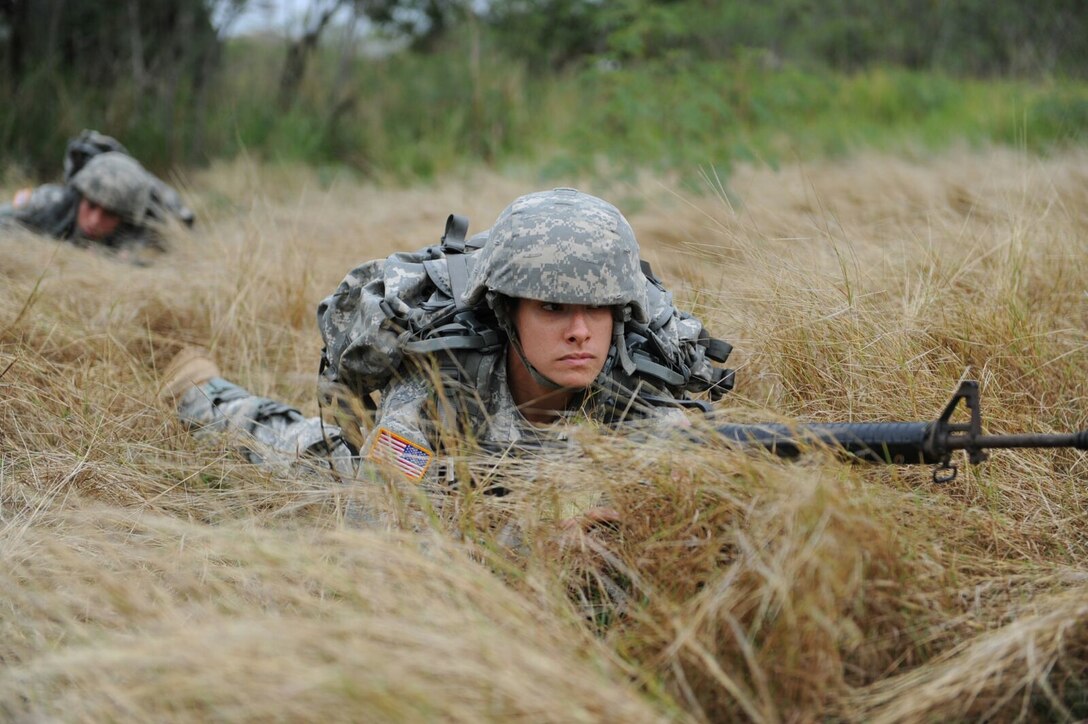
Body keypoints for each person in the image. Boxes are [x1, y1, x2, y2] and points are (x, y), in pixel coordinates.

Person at [159, 189, 730, 505]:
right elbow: (384, 519)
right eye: (552, 308)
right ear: (508, 313)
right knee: (312, 456)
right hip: (430, 477)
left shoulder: (635, 386)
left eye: (598, 309)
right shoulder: (447, 380)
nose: (581, 331)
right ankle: (203, 393)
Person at [1, 129, 194, 256]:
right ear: (80, 196)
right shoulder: (51, 202)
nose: (94, 220)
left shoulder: (142, 232)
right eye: (91, 205)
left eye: (109, 214)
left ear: (125, 218)